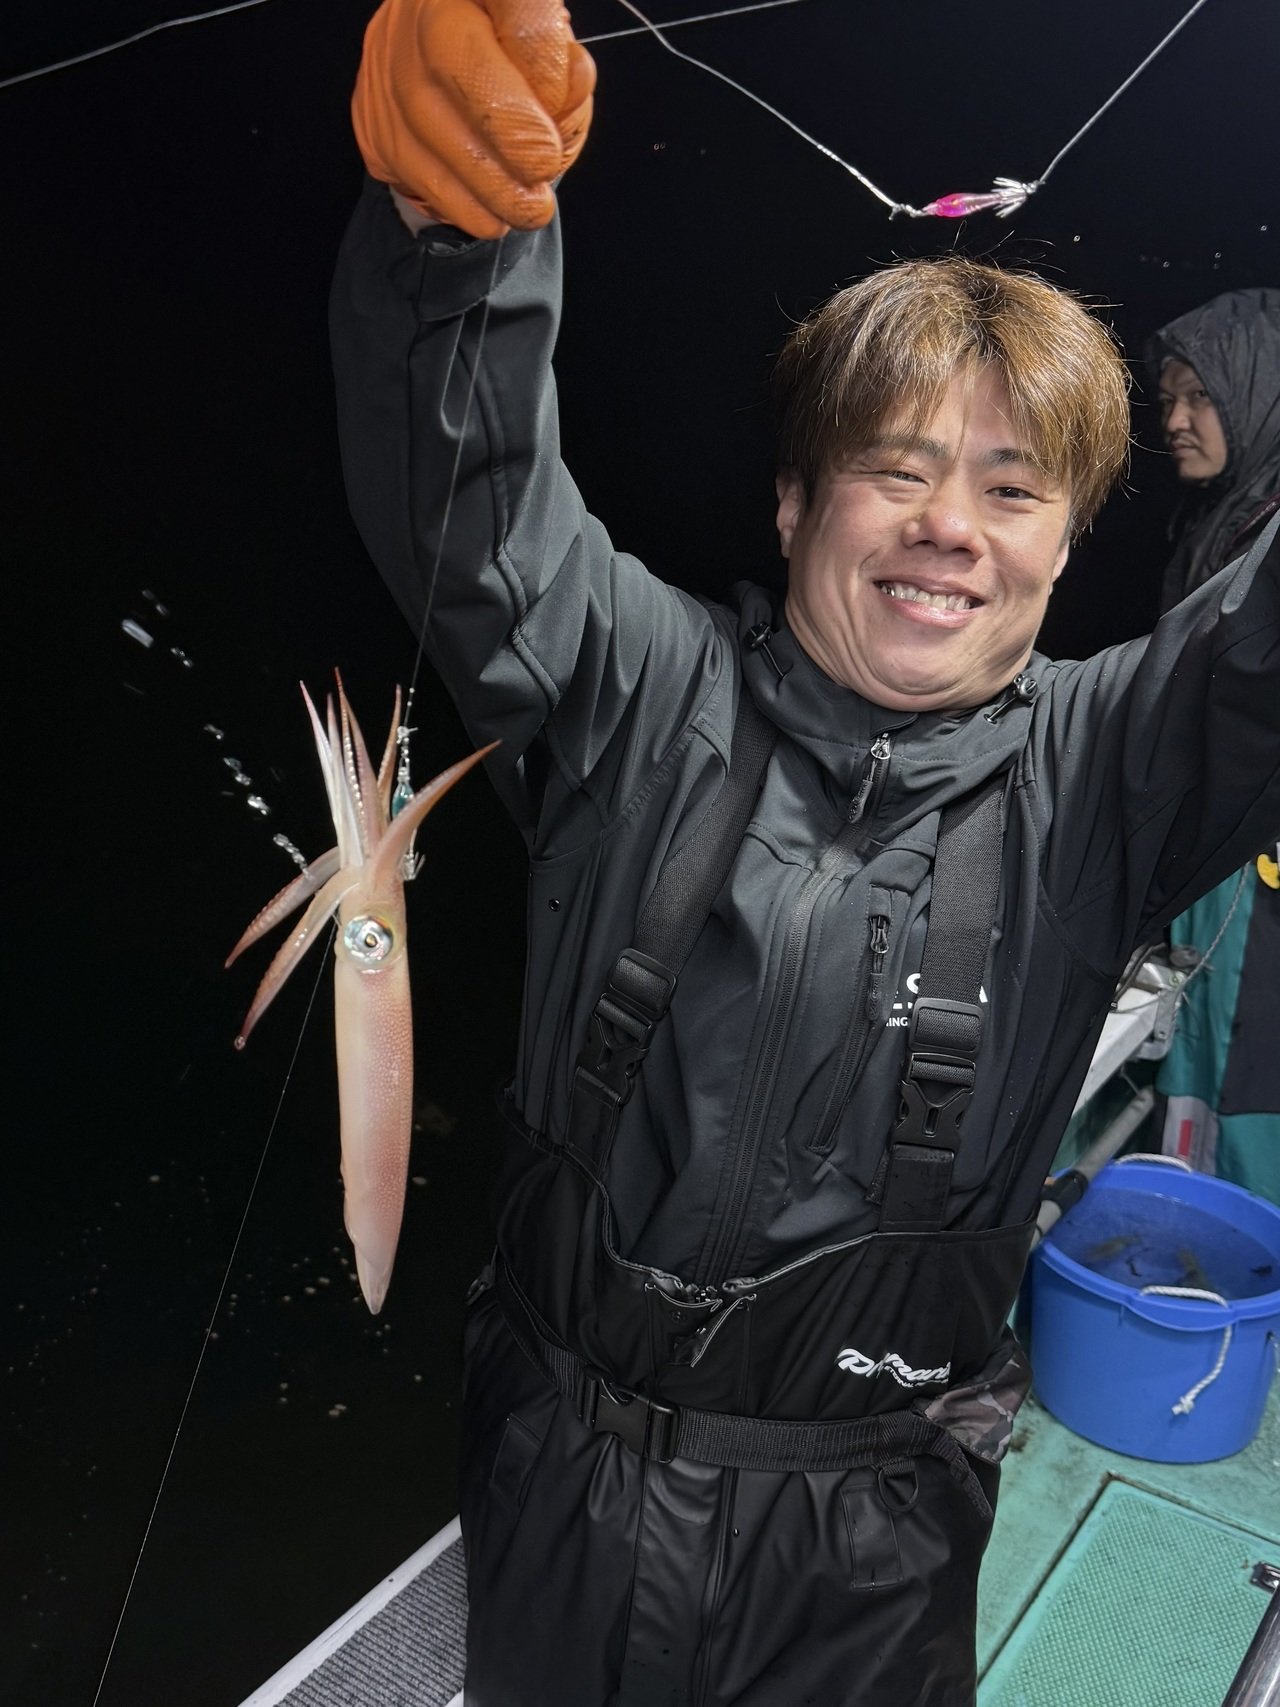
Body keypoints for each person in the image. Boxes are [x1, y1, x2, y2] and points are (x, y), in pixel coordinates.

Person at [329, 3, 1280, 1699]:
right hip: (556, 1480)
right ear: (792, 502)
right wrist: (449, 234)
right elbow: (468, 509)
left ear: (1068, 545)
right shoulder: (637, 684)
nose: (948, 526)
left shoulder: (1115, 767)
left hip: (873, 1544)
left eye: (1012, 490)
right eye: (894, 468)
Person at [1149, 291, 1280, 1205]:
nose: (1175, 421)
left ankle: (1245, 1264)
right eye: (1168, 399)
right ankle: (1184, 1236)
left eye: (1200, 395)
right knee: (1193, 1073)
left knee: (1249, 1091)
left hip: (1260, 875)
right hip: (1211, 863)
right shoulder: (1221, 524)